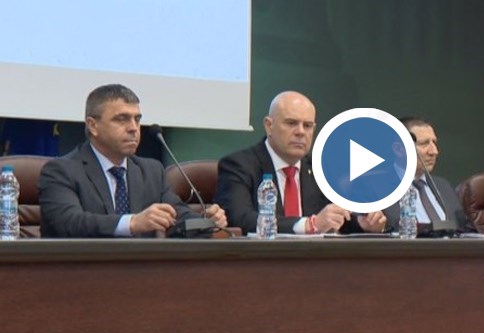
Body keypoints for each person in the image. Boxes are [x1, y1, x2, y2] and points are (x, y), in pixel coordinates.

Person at [39, 84, 227, 238]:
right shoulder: (61, 171)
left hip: (142, 270)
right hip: (83, 269)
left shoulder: (150, 171)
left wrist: (206, 222)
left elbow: (177, 217)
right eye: (122, 119)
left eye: (137, 119)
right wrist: (132, 222)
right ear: (93, 125)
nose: (134, 128)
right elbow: (70, 223)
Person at [215, 90, 387, 235]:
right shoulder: (239, 165)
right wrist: (308, 225)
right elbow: (239, 219)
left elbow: (338, 220)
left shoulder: (320, 169)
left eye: (307, 126)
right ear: (269, 125)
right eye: (291, 123)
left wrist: (363, 224)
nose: (300, 132)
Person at [382, 117, 474, 235]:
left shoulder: (443, 186)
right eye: (424, 144)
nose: (434, 151)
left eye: (434, 142)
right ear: (399, 149)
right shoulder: (376, 189)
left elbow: (464, 230)